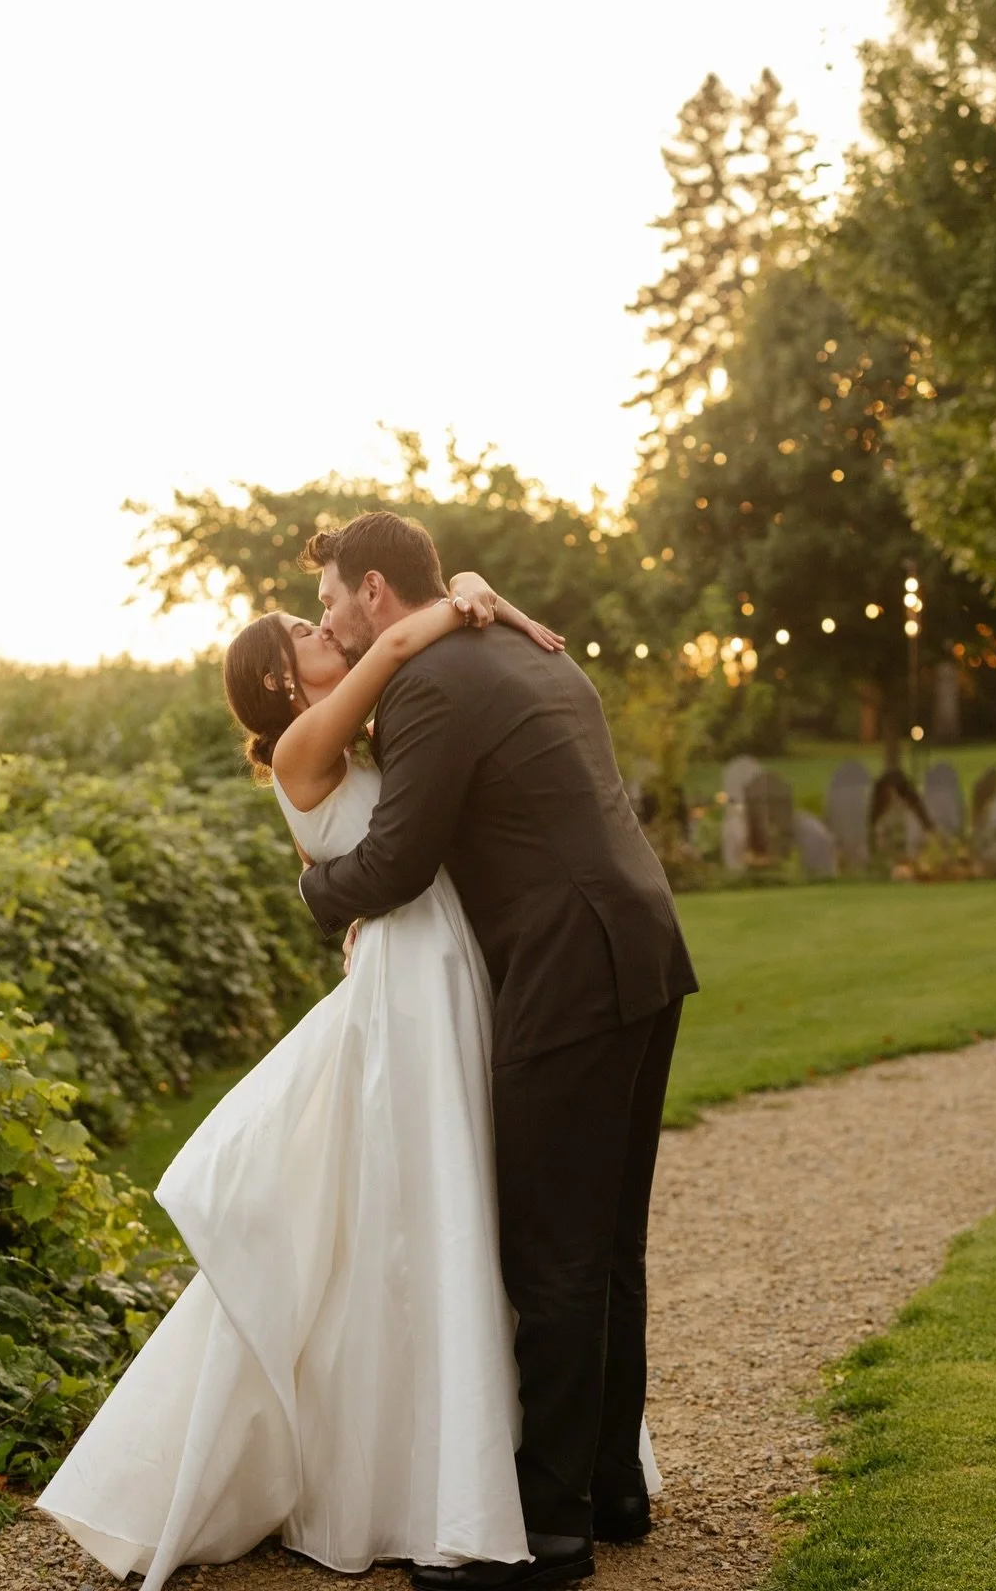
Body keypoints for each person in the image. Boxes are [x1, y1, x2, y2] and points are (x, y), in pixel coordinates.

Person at [37, 555, 658, 1591]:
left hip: (456, 969)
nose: (325, 628)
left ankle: (525, 1474)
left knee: (493, 1208)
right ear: (277, 680)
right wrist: (474, 594)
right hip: (414, 986)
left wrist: (473, 588)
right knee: (437, 1209)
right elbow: (403, 637)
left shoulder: (359, 726)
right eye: (306, 629)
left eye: (323, 610)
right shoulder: (303, 742)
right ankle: (454, 1483)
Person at [299, 512, 698, 1591]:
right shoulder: (525, 646)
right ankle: (612, 1487)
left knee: (551, 1253)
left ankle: (551, 1532)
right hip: (645, 946)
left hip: (569, 971)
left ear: (374, 590)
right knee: (606, 1243)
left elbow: (396, 860)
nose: (328, 620)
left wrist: (315, 890)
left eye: (331, 599)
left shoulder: (428, 686)